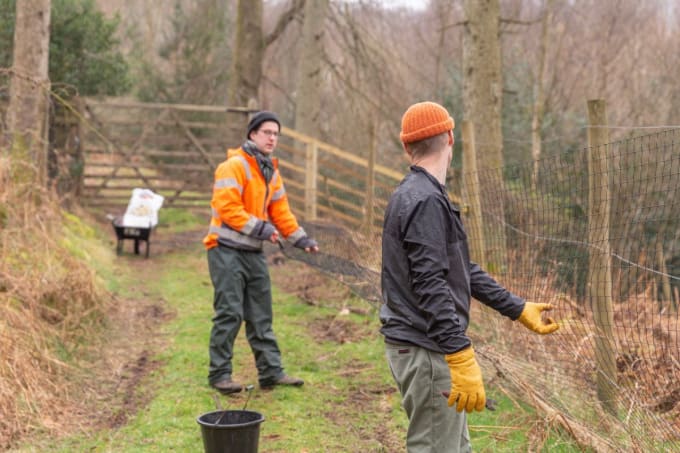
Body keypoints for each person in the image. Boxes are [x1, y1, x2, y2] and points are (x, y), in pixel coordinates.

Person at [380, 101, 559, 452]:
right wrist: (458, 351)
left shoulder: (418, 194)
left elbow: (459, 269)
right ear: (450, 137)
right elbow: (430, 283)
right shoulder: (426, 201)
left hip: (423, 345)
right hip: (428, 349)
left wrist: (516, 307)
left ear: (406, 147)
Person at [204, 111, 318, 394]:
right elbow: (227, 209)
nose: (272, 138)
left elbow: (281, 212)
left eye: (276, 134)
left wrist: (300, 238)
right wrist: (262, 229)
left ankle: (271, 372)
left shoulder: (270, 172)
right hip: (225, 250)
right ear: (252, 134)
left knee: (261, 315)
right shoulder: (233, 167)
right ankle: (220, 374)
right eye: (267, 132)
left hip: (253, 252)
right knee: (229, 312)